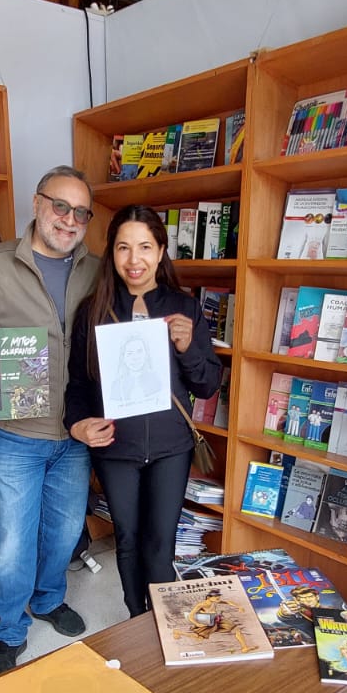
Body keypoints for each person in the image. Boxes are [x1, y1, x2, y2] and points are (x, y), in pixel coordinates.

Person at [0, 166, 103, 676]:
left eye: (80, 212)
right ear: (36, 204)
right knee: (12, 541)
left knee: (63, 531)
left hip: (74, 432)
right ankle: (9, 631)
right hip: (15, 434)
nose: (69, 219)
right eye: (60, 206)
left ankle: (49, 599)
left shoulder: (97, 270)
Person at [64, 206, 222, 617]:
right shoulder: (93, 310)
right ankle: (138, 619)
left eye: (145, 247)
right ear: (112, 253)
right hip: (116, 447)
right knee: (129, 540)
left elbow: (207, 384)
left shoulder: (183, 308)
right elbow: (78, 385)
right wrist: (78, 425)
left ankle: (164, 624)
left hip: (172, 446)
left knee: (160, 542)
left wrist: (187, 350)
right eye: (123, 248)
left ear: (162, 250)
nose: (134, 260)